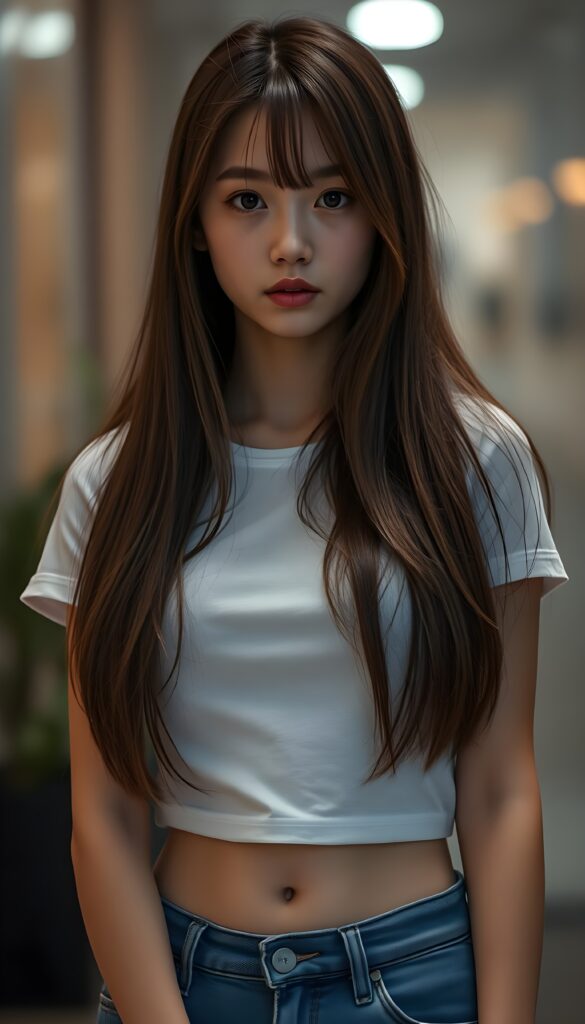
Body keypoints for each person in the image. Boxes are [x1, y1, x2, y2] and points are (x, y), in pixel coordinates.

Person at [20, 15, 569, 1024]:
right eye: (247, 199)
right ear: (195, 222)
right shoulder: (118, 482)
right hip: (185, 981)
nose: (291, 242)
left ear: (385, 213)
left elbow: (499, 790)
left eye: (333, 197)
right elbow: (103, 816)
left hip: (409, 977)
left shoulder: (473, 459)